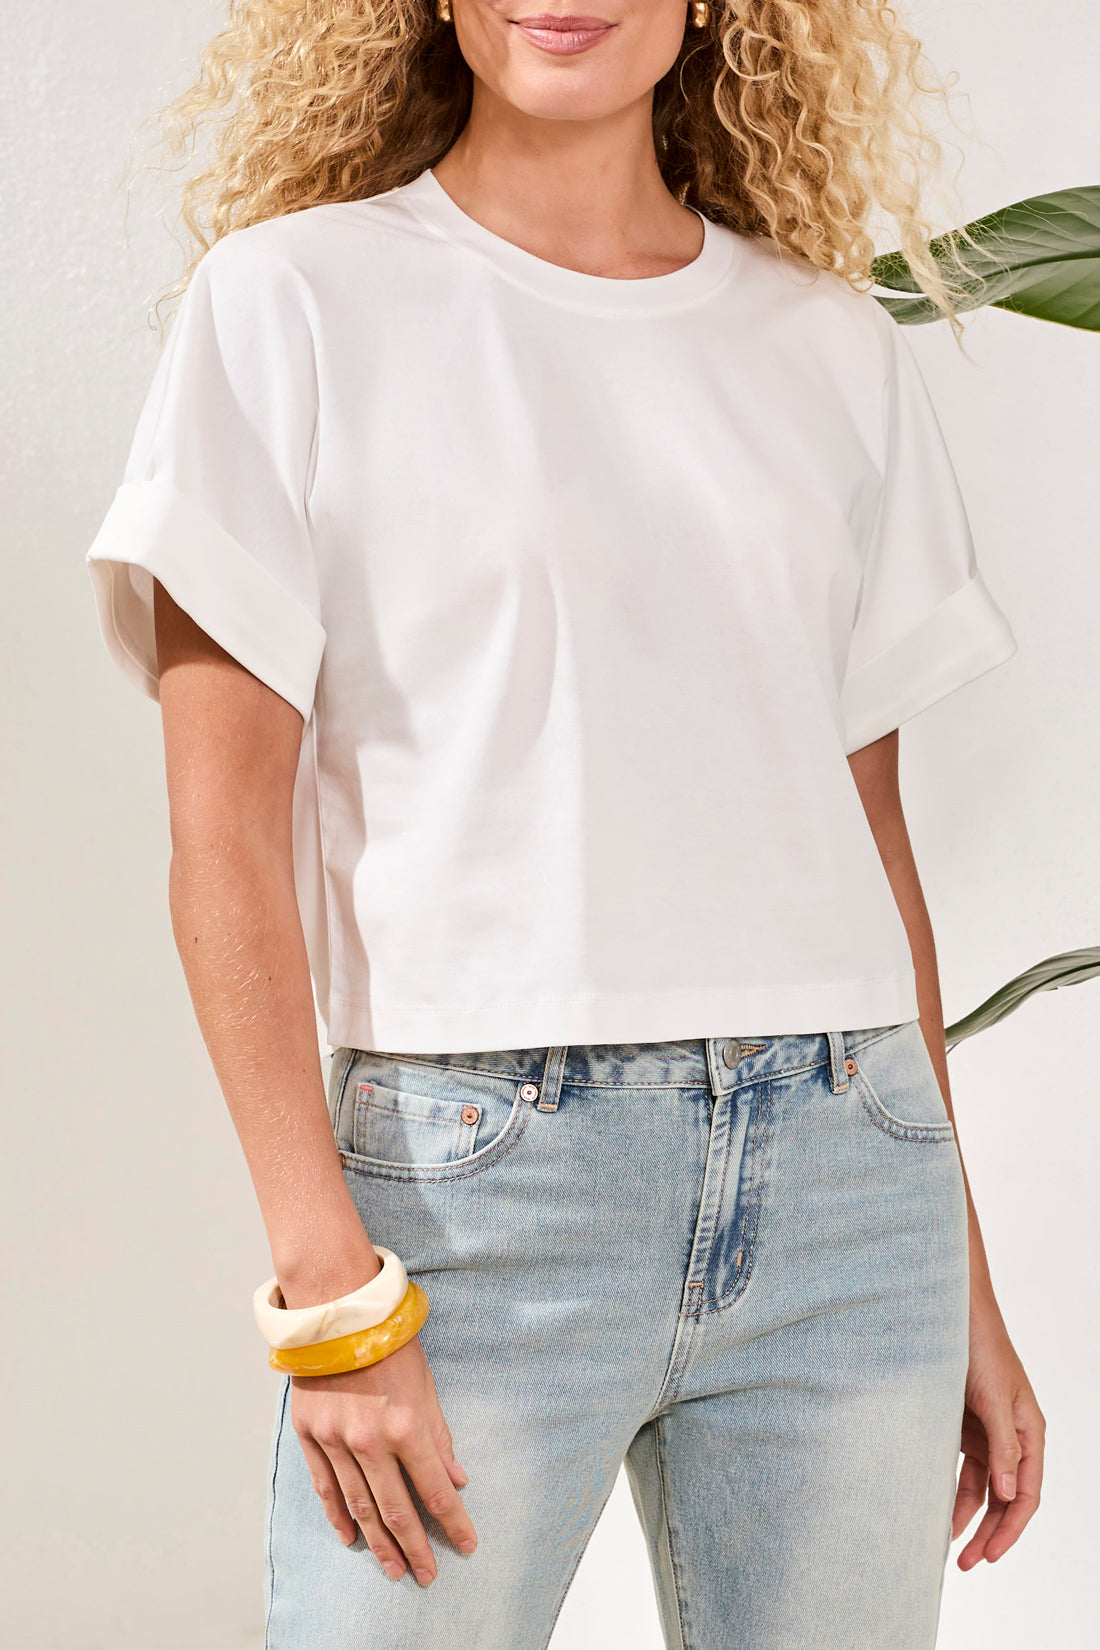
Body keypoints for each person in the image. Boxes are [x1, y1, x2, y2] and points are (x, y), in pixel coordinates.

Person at [84, 0, 1045, 1644]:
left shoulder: (826, 345)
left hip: (847, 1177)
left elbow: (869, 847)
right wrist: (332, 1295)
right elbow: (220, 846)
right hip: (476, 1200)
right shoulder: (293, 305)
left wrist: (964, 1275)